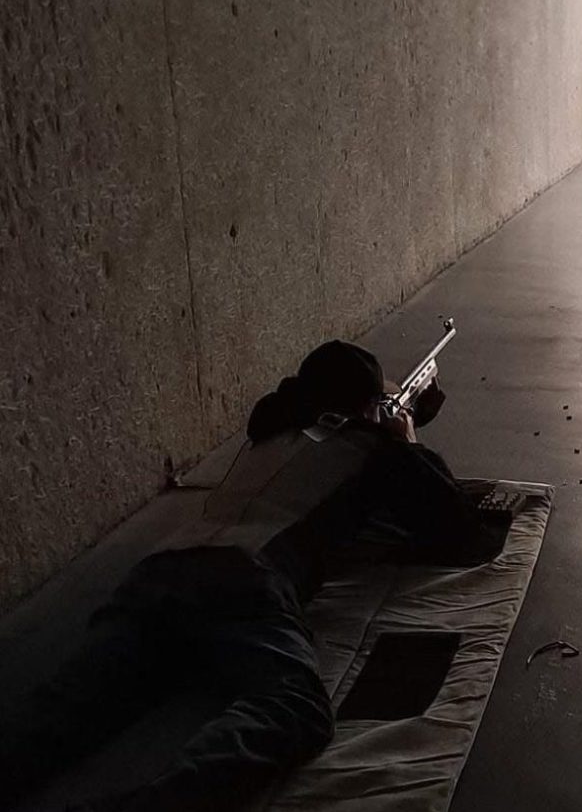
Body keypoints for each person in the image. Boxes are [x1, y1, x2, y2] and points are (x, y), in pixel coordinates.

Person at [1, 340, 503, 812]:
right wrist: (408, 439)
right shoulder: (376, 450)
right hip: (244, 581)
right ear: (369, 406)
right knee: (296, 708)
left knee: (66, 707)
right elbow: (459, 534)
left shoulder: (273, 431)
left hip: (157, 573)